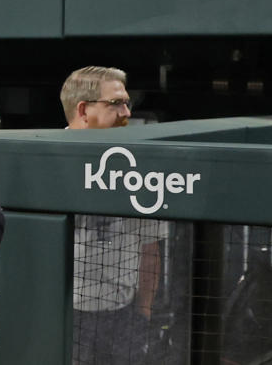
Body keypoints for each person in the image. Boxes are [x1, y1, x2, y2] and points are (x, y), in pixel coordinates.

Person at [62, 66, 165, 364]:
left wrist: (143, 314)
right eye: (115, 104)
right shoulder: (44, 163)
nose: (126, 113)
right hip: (65, 315)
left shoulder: (135, 164)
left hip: (123, 318)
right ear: (83, 110)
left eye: (127, 103)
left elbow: (150, 247)